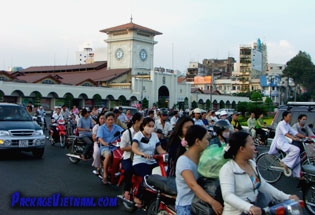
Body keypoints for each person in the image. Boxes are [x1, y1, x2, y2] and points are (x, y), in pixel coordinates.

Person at [220, 131, 299, 215]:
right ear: (242, 149)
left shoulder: (252, 164)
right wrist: (249, 207)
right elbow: (227, 195)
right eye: (252, 144)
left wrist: (287, 197)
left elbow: (263, 185)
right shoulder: (228, 169)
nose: (255, 147)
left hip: (255, 210)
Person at [175, 125, 222, 215]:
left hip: (201, 203)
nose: (208, 142)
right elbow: (193, 185)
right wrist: (212, 202)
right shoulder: (184, 161)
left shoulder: (203, 157)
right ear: (197, 141)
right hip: (187, 205)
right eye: (206, 139)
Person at [191, 120, 231, 215]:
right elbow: (212, 159)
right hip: (213, 176)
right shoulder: (213, 143)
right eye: (226, 130)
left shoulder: (228, 141)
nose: (228, 132)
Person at [131, 117, 166, 207]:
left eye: (152, 126)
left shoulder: (154, 136)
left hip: (151, 161)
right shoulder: (138, 135)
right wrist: (142, 154)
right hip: (139, 161)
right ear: (143, 126)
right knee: (147, 177)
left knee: (161, 175)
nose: (150, 128)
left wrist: (167, 154)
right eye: (148, 126)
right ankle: (137, 196)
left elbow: (160, 149)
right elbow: (134, 148)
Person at [269, 111, 307, 178]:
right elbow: (285, 133)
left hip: (285, 142)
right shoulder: (281, 124)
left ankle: (297, 175)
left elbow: (294, 132)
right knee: (296, 149)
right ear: (285, 117)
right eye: (289, 116)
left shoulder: (287, 124)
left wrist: (305, 137)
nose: (290, 117)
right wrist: (294, 138)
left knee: (297, 156)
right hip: (279, 142)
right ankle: (284, 162)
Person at [120, 112, 143, 200]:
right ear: (137, 121)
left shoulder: (142, 132)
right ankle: (126, 190)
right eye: (142, 121)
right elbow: (122, 147)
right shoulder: (127, 133)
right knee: (129, 170)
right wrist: (133, 148)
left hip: (140, 157)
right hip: (128, 157)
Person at [97, 112, 124, 184]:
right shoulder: (101, 128)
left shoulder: (117, 127)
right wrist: (104, 143)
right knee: (108, 154)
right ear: (105, 120)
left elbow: (124, 133)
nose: (110, 121)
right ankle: (105, 174)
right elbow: (99, 138)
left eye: (112, 119)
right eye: (108, 120)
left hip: (116, 147)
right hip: (105, 147)